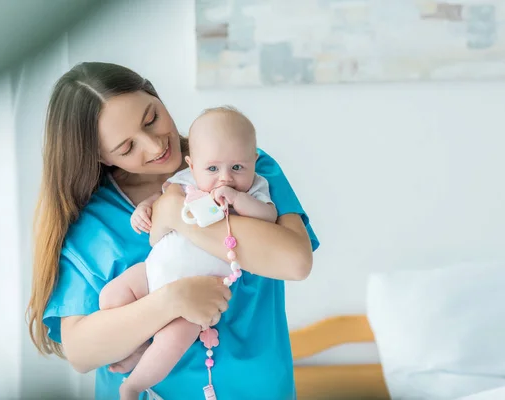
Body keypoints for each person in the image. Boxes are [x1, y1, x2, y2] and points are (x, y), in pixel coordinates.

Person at [26, 61, 319, 400]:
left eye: (151, 119)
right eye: (127, 147)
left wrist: (175, 213)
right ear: (100, 156)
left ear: (154, 94)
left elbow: (295, 261)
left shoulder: (240, 168)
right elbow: (81, 351)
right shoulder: (93, 221)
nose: (154, 146)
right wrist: (172, 301)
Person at [99, 106, 279, 400]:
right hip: (152, 272)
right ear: (192, 165)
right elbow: (161, 200)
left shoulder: (255, 189)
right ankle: (139, 347)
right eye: (212, 168)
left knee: (174, 341)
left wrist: (237, 200)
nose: (225, 179)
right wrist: (144, 208)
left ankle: (133, 385)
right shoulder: (185, 182)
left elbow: (269, 216)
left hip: (198, 296)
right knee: (111, 296)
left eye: (238, 167)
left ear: (253, 162)